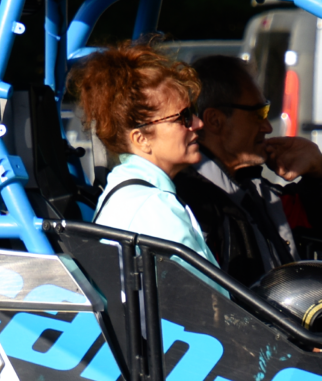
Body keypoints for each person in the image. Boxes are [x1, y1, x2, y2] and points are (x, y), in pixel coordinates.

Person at [174, 55, 322, 284]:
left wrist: (319, 170)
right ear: (214, 120)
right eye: (259, 113)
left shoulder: (254, 192)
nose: (268, 127)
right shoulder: (190, 207)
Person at [71, 41, 216, 261]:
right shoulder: (152, 207)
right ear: (141, 139)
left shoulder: (131, 195)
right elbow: (200, 285)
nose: (198, 123)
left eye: (193, 112)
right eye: (184, 117)